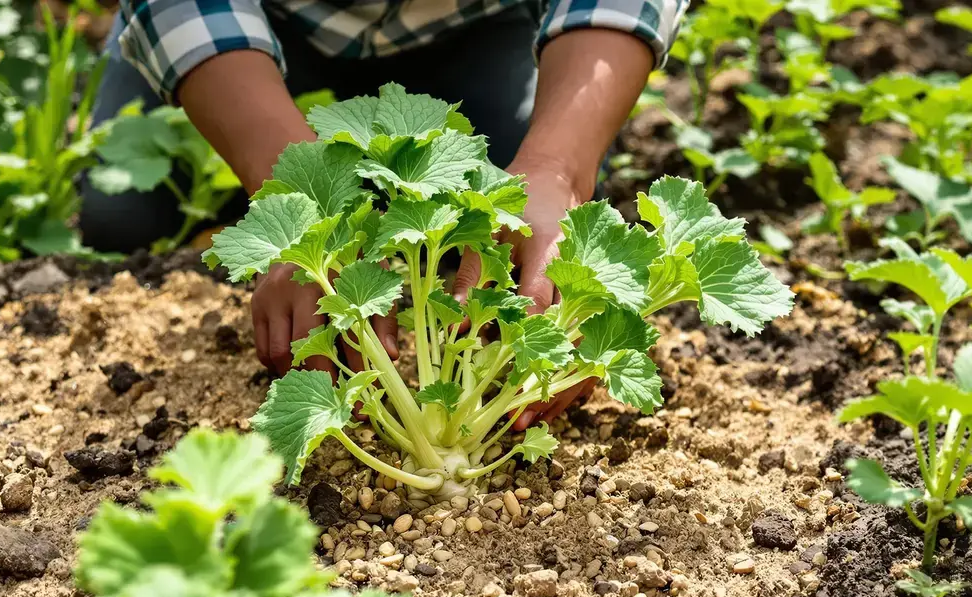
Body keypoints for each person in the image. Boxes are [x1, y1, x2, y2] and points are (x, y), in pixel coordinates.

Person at [82, 0, 688, 428]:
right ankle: (271, 163)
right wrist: (299, 213)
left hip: (477, 21)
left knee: (527, 240)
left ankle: (366, 180)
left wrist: (556, 168)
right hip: (260, 22)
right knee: (124, 221)